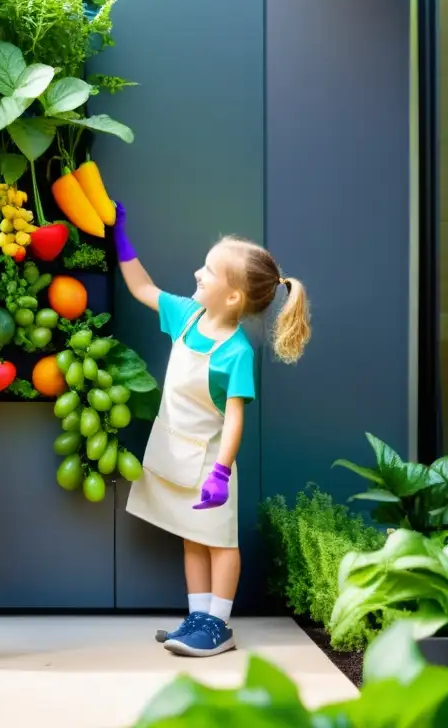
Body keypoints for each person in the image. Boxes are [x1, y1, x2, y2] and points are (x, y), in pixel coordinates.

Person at [112, 203, 311, 657]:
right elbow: (142, 287)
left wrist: (221, 472)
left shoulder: (235, 351)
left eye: (208, 270)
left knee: (219, 542)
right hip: (175, 453)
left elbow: (236, 417)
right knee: (192, 537)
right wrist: (121, 241)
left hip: (208, 462)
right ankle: (196, 617)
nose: (196, 273)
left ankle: (218, 625)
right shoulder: (185, 316)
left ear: (234, 297)